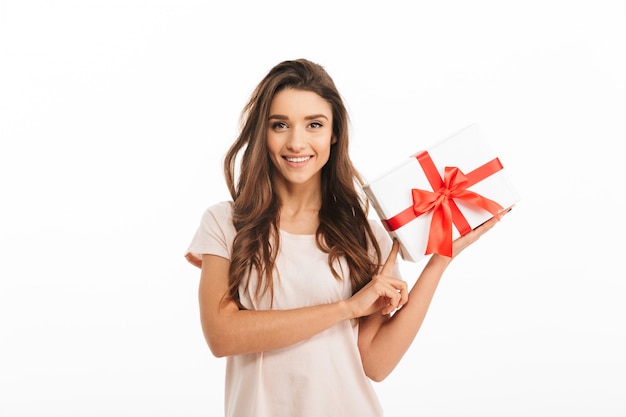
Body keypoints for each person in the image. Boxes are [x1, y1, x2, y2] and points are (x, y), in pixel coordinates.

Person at [185, 58, 504, 417]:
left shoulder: (366, 235)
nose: (296, 142)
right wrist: (346, 309)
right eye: (280, 125)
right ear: (263, 132)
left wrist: (441, 259)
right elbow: (222, 335)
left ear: (334, 133)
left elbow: (376, 364)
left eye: (314, 125)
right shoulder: (226, 222)